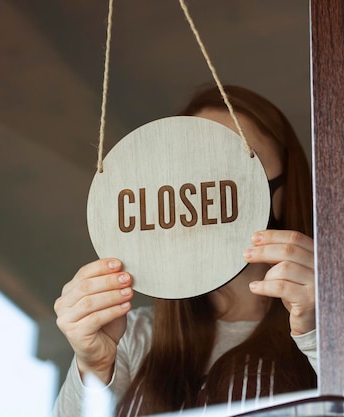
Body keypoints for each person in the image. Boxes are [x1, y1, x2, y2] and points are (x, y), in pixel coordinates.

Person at [52, 85, 317, 417]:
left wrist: (321, 333)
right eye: (194, 160)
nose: (210, 179)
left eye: (237, 155)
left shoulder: (322, 324)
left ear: (287, 182)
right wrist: (93, 366)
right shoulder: (132, 335)